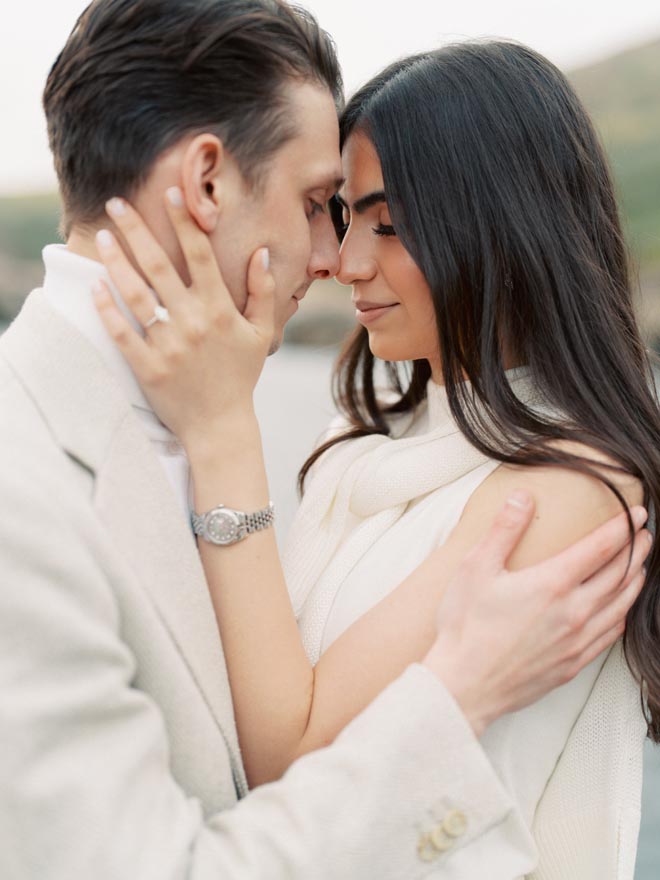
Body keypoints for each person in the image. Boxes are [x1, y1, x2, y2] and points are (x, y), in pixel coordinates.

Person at [0, 1, 649, 877]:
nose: (334, 259)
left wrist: (226, 435)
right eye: (326, 208)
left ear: (490, 224)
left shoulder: (569, 486)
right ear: (203, 183)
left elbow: (286, 751)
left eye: (379, 222)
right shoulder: (354, 445)